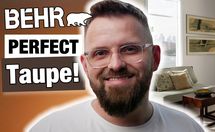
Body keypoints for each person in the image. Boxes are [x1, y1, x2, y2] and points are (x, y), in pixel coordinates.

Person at [29, 0, 205, 132]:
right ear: (85, 66)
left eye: (130, 49)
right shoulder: (49, 128)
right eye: (100, 53)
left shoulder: (188, 127)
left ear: (156, 58)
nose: (116, 64)